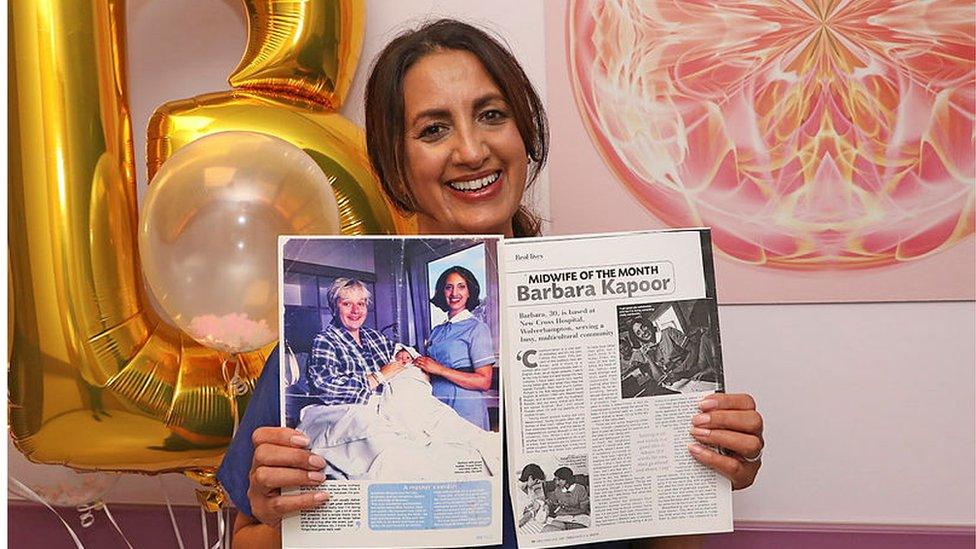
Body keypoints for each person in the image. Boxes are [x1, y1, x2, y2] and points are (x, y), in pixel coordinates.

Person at [221, 19, 764, 549]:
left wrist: (706, 476)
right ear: (394, 164)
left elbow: (667, 538)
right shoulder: (309, 359)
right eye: (433, 128)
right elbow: (247, 538)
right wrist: (276, 515)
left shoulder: (618, 319)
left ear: (523, 133)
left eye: (491, 115)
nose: (472, 150)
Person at [415, 266, 495, 430]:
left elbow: (484, 381)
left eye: (461, 286)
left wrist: (440, 370)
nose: (454, 293)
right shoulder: (436, 331)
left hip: (465, 409)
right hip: (435, 407)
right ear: (442, 292)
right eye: (448, 287)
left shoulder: (477, 328)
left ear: (469, 292)